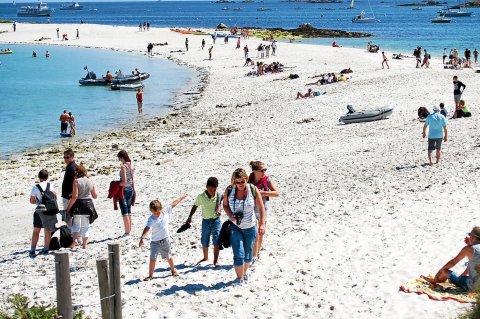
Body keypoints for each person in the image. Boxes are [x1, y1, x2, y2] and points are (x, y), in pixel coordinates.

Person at [223, 168, 266, 284]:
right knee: (238, 254)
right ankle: (239, 278)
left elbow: (261, 208)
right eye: (238, 182)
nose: (240, 184)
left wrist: (262, 224)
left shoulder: (253, 189)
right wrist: (230, 215)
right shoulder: (229, 190)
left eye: (243, 181)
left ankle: (243, 273)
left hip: (250, 227)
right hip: (235, 227)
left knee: (248, 257)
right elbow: (225, 205)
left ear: (246, 180)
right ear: (234, 182)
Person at [139, 195, 188, 281]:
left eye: (158, 212)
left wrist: (182, 198)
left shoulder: (165, 212)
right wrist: (142, 238)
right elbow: (147, 228)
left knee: (168, 257)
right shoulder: (151, 219)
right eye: (154, 213)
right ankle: (150, 275)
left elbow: (174, 203)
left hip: (165, 239)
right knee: (152, 258)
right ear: (151, 212)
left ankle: (173, 271)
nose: (156, 214)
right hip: (154, 242)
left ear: (161, 209)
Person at [421, 227, 480, 292]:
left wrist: (439, 272)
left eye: (470, 234)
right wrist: (470, 244)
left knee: (445, 271)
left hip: (474, 286)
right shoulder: (472, 248)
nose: (469, 236)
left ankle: (436, 280)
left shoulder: (469, 249)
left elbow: (452, 263)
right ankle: (461, 278)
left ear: (473, 237)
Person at [185, 177, 222, 266]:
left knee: (216, 240)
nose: (212, 191)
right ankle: (205, 257)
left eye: (214, 190)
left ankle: (215, 261)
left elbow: (220, 203)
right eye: (210, 189)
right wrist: (190, 217)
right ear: (206, 187)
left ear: (216, 188)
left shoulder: (219, 195)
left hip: (216, 221)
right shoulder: (201, 197)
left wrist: (219, 208)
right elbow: (195, 206)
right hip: (205, 221)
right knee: (205, 239)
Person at [248, 161, 279, 263]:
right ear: (254, 171)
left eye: (265, 170)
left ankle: (257, 253)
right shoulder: (248, 180)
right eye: (262, 170)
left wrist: (263, 193)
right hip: (250, 211)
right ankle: (253, 254)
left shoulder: (267, 180)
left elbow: (276, 193)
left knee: (260, 233)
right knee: (253, 233)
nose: (264, 172)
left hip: (262, 210)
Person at [65, 165, 97, 250]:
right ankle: (84, 245)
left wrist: (68, 208)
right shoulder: (90, 181)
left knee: (75, 224)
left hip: (78, 205)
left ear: (77, 173)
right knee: (85, 226)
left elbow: (75, 197)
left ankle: (75, 241)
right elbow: (95, 196)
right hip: (88, 205)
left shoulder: (76, 181)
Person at [29, 169, 58, 257]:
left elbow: (31, 201)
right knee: (47, 230)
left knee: (36, 231)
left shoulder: (36, 187)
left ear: (39, 177)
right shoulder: (51, 186)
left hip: (39, 210)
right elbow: (55, 197)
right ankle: (46, 249)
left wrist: (38, 201)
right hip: (50, 209)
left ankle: (33, 250)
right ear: (47, 177)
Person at [118, 150, 135, 237]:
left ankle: (127, 232)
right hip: (131, 189)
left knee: (124, 212)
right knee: (129, 210)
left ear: (122, 157)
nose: (119, 161)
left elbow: (124, 182)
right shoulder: (131, 165)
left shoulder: (123, 166)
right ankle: (129, 230)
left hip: (124, 190)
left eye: (119, 159)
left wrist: (117, 184)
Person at [62, 149, 78, 227]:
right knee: (70, 216)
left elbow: (77, 181)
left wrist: (72, 193)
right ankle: (73, 234)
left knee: (68, 216)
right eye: (64, 157)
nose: (65, 159)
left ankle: (72, 234)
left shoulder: (72, 167)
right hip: (68, 196)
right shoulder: (71, 166)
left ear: (72, 157)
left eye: (67, 157)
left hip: (68, 197)